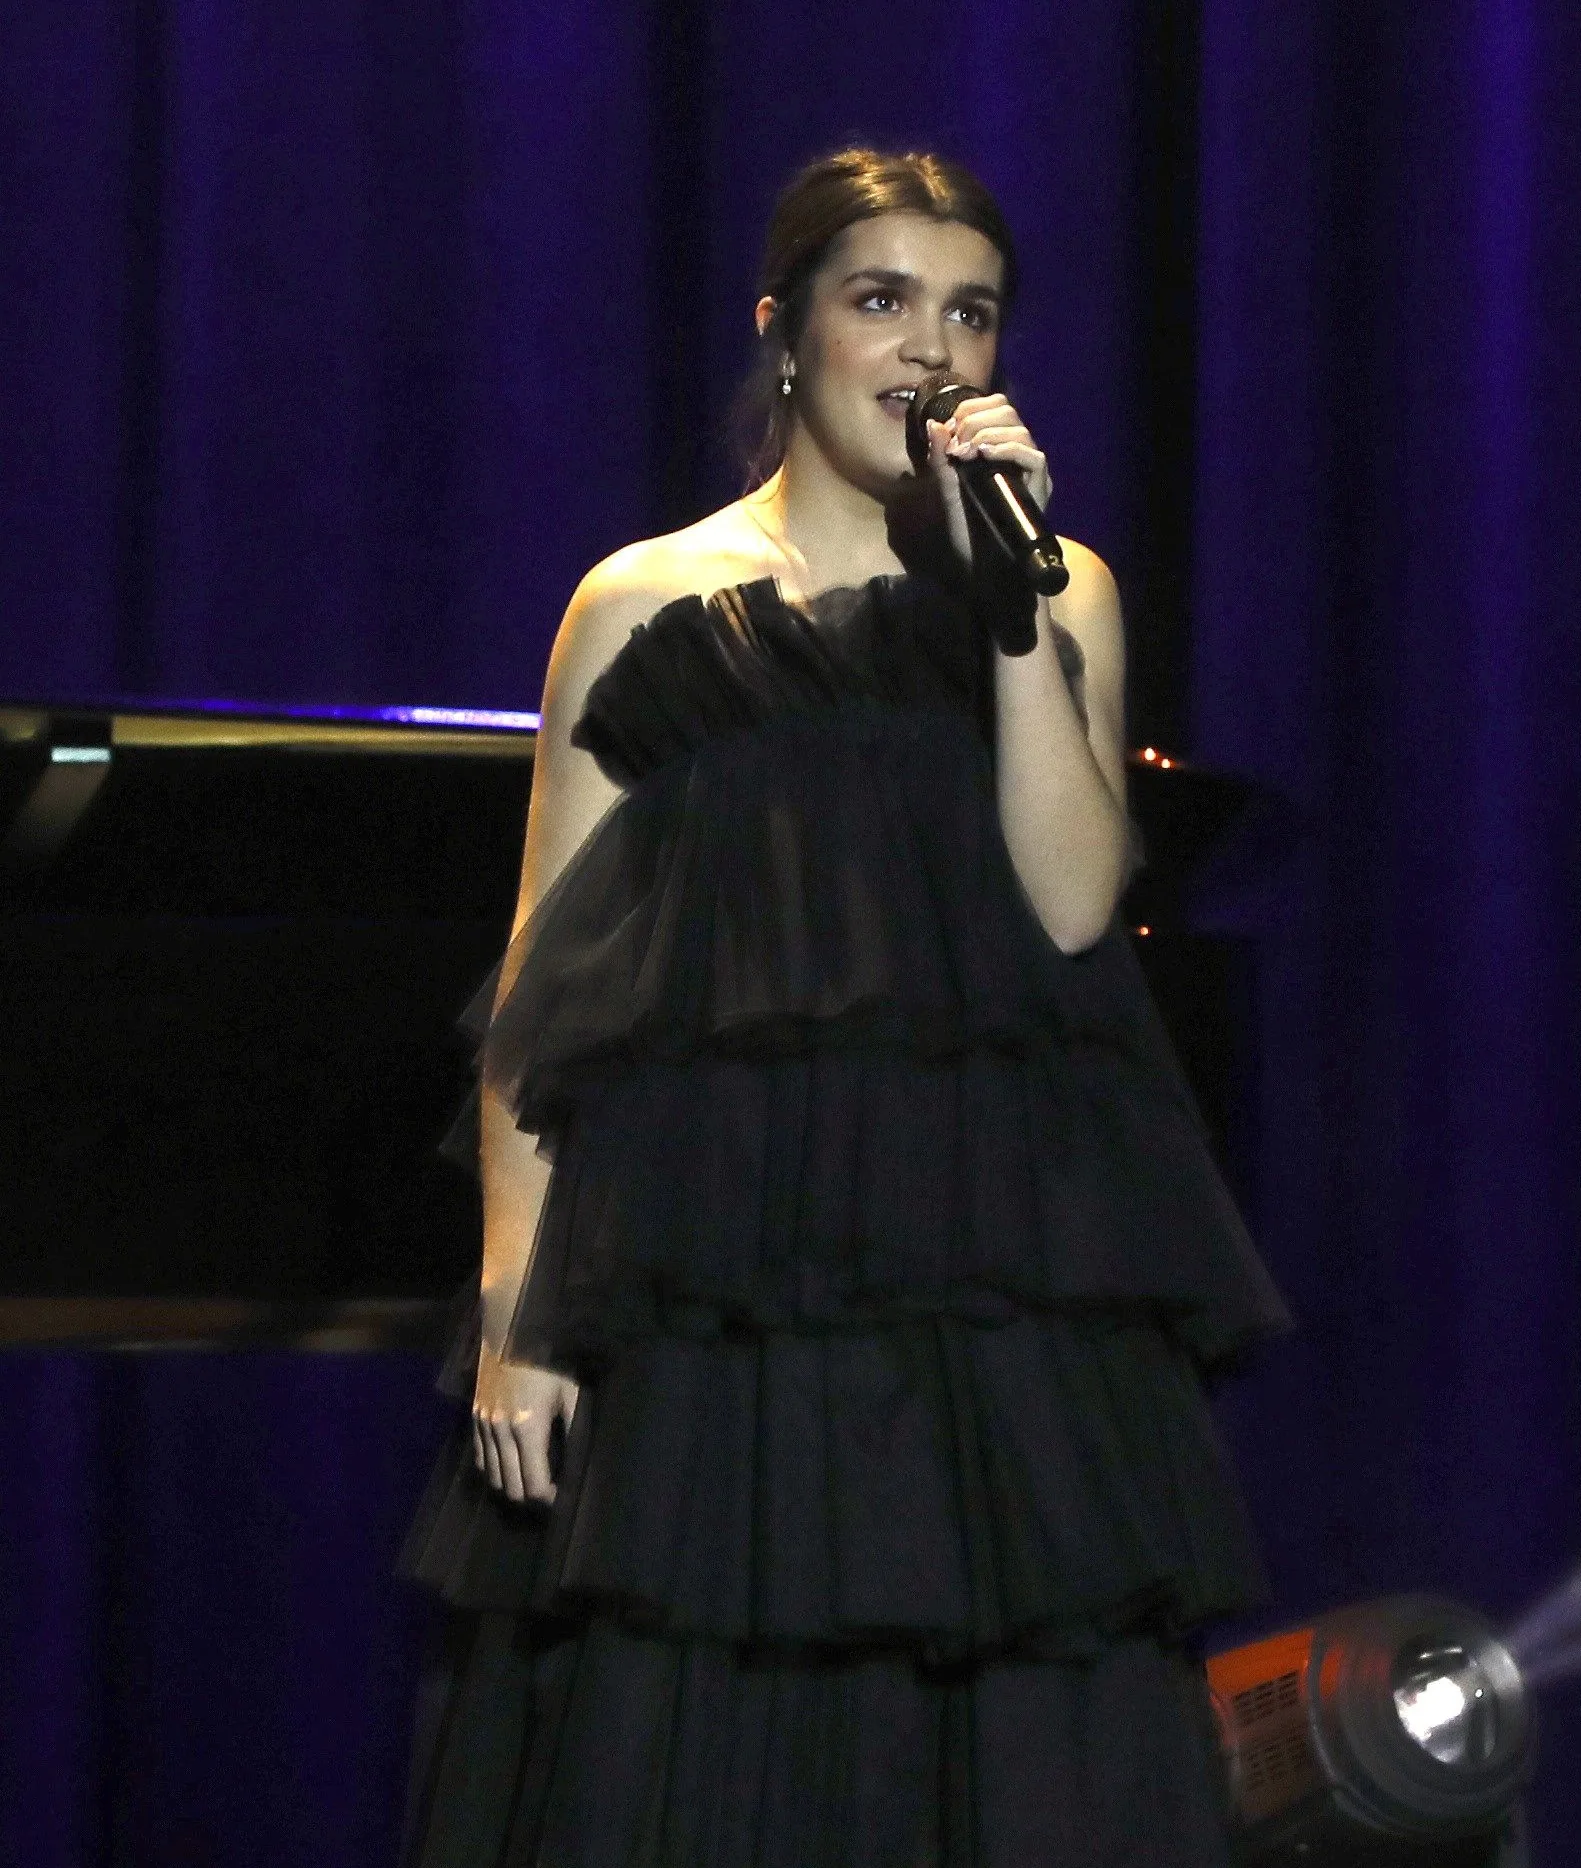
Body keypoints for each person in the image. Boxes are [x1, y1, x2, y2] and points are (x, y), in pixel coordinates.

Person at [396, 148, 1286, 1866]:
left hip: (985, 1291)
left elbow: (1073, 899)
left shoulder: (1058, 586)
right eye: (882, 302)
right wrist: (516, 1309)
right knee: (700, 1740)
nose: (929, 350)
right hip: (716, 1294)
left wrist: (1013, 591)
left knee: (1007, 1739)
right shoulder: (646, 602)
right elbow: (538, 990)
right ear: (786, 335)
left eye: (970, 312)